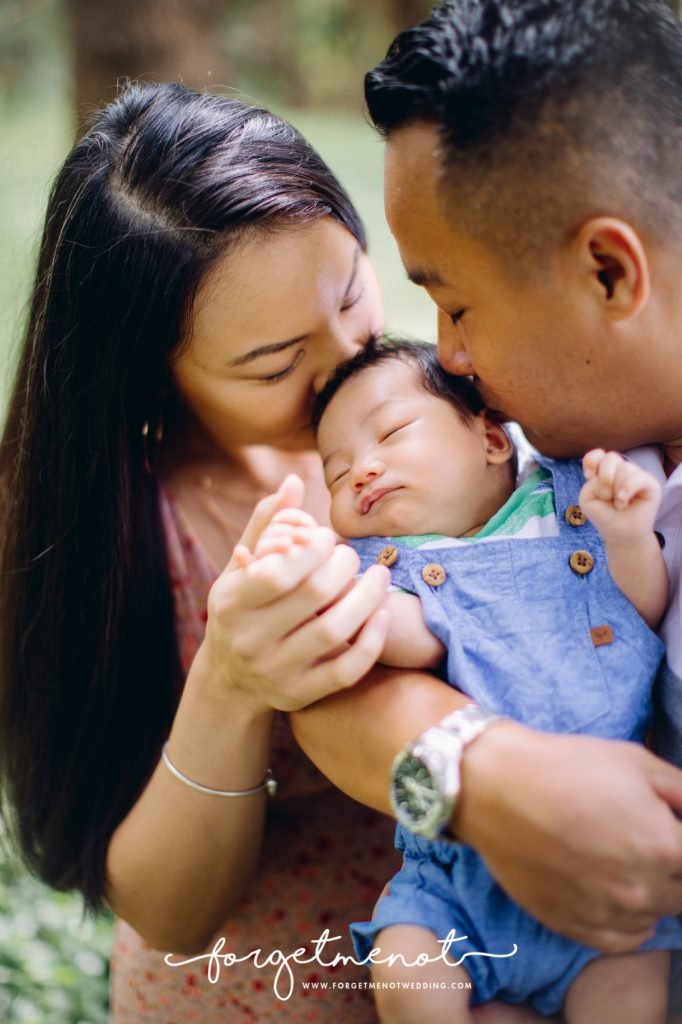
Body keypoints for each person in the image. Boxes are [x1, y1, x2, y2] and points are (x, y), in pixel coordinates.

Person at [288, 0, 682, 1002]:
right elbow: (334, 705)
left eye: (454, 305)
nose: (448, 360)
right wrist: (481, 777)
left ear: (607, 270)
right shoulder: (567, 445)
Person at [0, 81, 400, 1023]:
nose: (348, 356)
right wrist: (228, 683)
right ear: (147, 377)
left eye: (350, 290)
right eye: (273, 363)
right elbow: (163, 908)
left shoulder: (434, 414)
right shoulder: (115, 533)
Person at [252, 338, 677, 1023]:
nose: (362, 471)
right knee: (407, 968)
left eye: (391, 433)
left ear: (490, 439)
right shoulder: (386, 568)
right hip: (454, 883)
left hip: (612, 872)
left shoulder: (572, 503)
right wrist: (312, 583)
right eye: (335, 474)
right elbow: (406, 636)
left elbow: (638, 615)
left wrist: (627, 537)